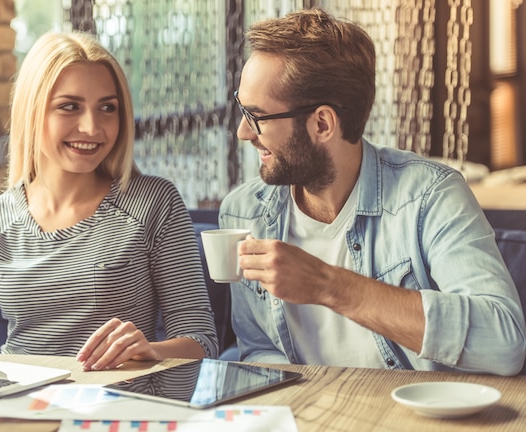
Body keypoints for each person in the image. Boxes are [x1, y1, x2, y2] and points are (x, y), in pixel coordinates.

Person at [221, 8, 526, 375]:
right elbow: (258, 350)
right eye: (241, 108)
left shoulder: (430, 196)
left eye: (256, 116)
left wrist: (327, 284)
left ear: (322, 123)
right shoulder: (243, 212)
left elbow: (505, 343)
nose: (242, 132)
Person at [0, 31, 218, 370]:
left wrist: (152, 351)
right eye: (70, 106)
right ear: (33, 112)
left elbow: (201, 339)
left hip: (122, 407)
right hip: (24, 407)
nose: (92, 126)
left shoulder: (155, 202)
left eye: (107, 108)